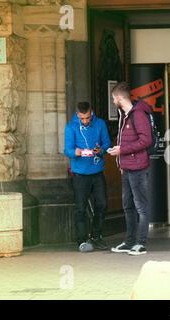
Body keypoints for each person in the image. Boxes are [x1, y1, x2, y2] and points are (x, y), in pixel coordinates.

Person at [108, 82, 153, 256]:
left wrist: (122, 150)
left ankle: (141, 243)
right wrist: (120, 159)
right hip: (126, 168)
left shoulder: (138, 114)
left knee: (140, 206)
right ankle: (129, 242)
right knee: (128, 206)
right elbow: (127, 141)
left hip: (138, 168)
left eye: (113, 98)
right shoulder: (125, 115)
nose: (113, 101)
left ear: (120, 98)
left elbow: (146, 140)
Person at [64, 101, 111, 252]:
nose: (85, 121)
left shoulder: (100, 124)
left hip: (97, 172)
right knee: (81, 208)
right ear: (77, 115)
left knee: (102, 204)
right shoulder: (71, 127)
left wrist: (101, 149)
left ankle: (96, 236)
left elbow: (107, 143)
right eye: (82, 118)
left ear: (92, 113)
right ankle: (82, 240)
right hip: (80, 174)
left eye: (88, 118)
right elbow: (67, 150)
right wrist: (75, 152)